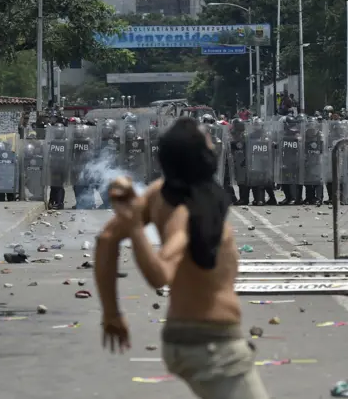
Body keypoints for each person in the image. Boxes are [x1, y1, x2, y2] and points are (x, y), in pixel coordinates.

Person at [95, 117, 269, 399]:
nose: (214, 147)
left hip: (192, 339)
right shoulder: (187, 210)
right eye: (208, 143)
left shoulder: (160, 193)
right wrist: (136, 228)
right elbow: (159, 274)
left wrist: (112, 313)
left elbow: (106, 240)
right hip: (210, 345)